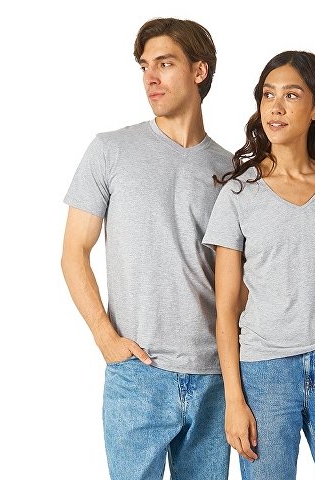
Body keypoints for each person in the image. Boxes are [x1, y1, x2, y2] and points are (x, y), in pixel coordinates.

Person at [61, 18, 233, 480]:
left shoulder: (231, 170)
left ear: (199, 70)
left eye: (165, 64)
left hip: (215, 376)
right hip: (137, 371)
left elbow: (244, 278)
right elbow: (74, 251)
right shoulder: (110, 150)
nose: (150, 78)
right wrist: (105, 337)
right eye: (144, 67)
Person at [202, 50, 315, 480]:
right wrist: (234, 401)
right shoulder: (238, 195)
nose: (276, 107)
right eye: (268, 95)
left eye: (291, 95)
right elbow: (225, 308)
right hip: (264, 375)